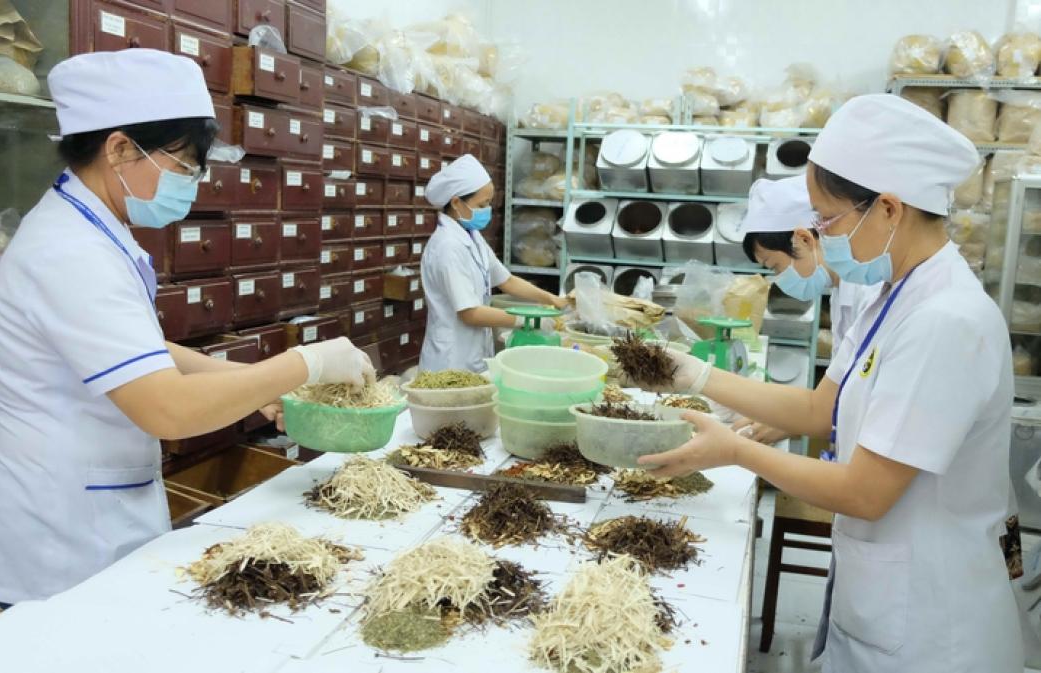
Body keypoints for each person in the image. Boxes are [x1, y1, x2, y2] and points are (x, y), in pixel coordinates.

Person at [0, 50, 374, 606]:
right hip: (55, 533)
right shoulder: (69, 252)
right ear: (120, 149)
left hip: (90, 504)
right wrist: (306, 363)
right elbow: (167, 409)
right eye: (183, 167)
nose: (192, 184)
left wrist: (250, 384)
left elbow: (141, 349)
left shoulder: (93, 225)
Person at [635, 94, 1022, 672]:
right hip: (885, 597)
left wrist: (735, 451)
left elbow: (866, 492)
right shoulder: (893, 294)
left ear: (888, 209)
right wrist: (696, 373)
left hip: (933, 629)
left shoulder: (946, 320)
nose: (818, 234)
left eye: (827, 218)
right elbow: (822, 410)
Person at [734, 176, 878, 444]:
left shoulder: (869, 292)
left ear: (803, 239)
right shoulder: (840, 290)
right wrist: (790, 421)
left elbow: (868, 401)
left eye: (775, 266)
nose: (778, 278)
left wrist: (799, 421)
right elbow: (841, 392)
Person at [420, 154, 567, 372]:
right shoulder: (447, 247)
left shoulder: (472, 236)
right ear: (456, 203)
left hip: (473, 354)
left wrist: (552, 299)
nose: (487, 209)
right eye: (482, 204)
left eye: (489, 203)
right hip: (451, 361)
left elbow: (507, 281)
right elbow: (470, 313)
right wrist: (525, 320)